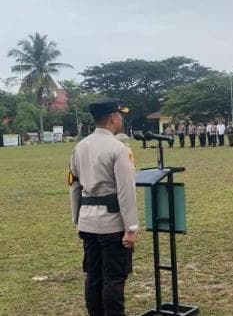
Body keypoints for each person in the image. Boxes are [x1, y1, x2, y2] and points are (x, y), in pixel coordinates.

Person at [69, 98, 138, 316]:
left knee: (94, 276)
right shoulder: (118, 148)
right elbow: (126, 190)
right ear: (113, 118)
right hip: (112, 224)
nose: (121, 119)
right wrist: (131, 228)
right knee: (114, 278)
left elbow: (73, 185)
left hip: (88, 221)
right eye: (120, 115)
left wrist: (77, 220)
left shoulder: (80, 147)